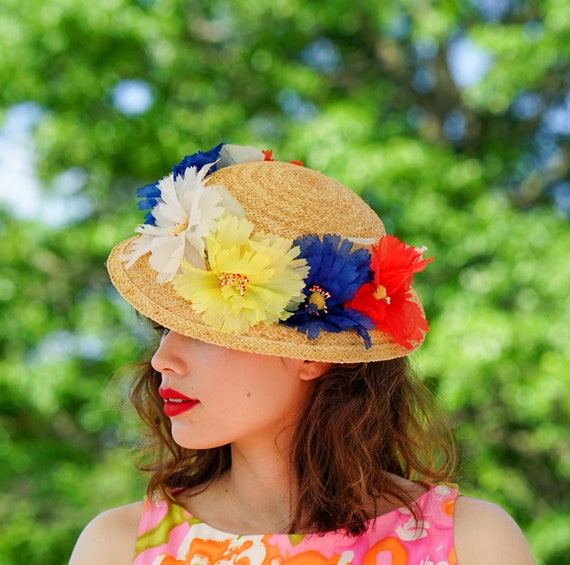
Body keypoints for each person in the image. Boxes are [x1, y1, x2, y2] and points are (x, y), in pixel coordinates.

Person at [69, 144, 535, 564]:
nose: (161, 360)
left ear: (313, 355)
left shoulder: (474, 543)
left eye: (204, 330)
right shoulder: (115, 547)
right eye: (164, 328)